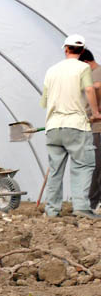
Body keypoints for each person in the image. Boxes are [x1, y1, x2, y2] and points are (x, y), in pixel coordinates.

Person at [41, 34, 101, 218]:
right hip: (76, 126)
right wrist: (95, 113)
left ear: (66, 49)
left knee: (55, 170)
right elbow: (89, 89)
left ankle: (52, 210)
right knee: (83, 166)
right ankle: (81, 207)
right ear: (82, 51)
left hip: (53, 127)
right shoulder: (83, 68)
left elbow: (44, 101)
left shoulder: (51, 70)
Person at [79, 49, 101, 210]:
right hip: (90, 127)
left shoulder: (97, 74)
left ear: (86, 63)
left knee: (96, 166)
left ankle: (92, 203)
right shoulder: (90, 75)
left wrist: (95, 113)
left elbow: (96, 88)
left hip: (97, 128)